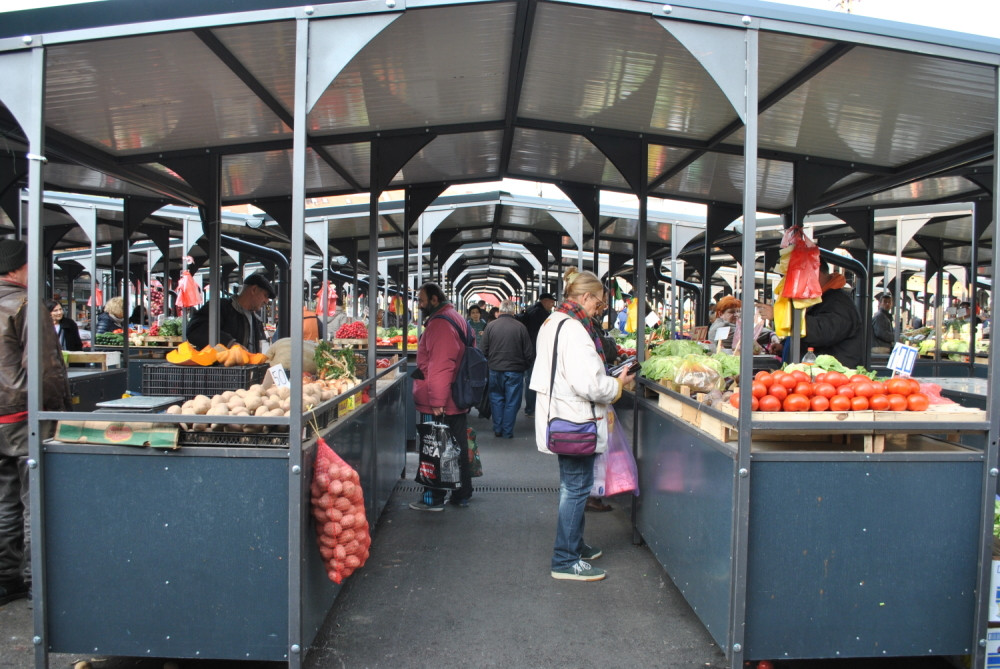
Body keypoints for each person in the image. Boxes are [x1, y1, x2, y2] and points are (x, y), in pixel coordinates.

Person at [529, 267, 635, 582]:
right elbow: (589, 384)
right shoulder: (574, 329)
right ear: (585, 296)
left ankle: (574, 545)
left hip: (560, 414)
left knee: (572, 486)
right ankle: (565, 559)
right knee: (575, 489)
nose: (599, 309)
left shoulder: (553, 321)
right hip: (575, 418)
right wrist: (618, 385)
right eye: (598, 303)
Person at [0, 239, 72, 605]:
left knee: (4, 498)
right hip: (24, 414)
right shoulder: (26, 305)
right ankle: (35, 581)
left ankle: (4, 578)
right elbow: (45, 368)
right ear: (17, 269)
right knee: (35, 498)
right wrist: (60, 409)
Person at [409, 282, 473, 511]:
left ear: (435, 299)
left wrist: (436, 401)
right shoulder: (455, 317)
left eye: (422, 299)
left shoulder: (439, 325)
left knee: (432, 448)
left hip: (440, 400)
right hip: (455, 395)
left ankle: (432, 498)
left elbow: (441, 366)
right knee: (456, 447)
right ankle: (461, 494)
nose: (420, 304)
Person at [481, 300, 534, 439]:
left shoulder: (490, 326)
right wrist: (524, 366)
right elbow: (529, 352)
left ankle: (498, 428)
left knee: (496, 398)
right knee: (512, 401)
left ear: (501, 310)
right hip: (515, 370)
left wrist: (490, 363)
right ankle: (507, 431)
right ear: (512, 311)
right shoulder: (520, 327)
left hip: (495, 369)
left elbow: (483, 350)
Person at [187, 273, 274, 353]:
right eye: (265, 295)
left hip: (246, 368)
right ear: (254, 290)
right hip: (221, 369)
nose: (266, 301)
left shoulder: (256, 320)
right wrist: (229, 343)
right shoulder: (220, 307)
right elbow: (195, 330)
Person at [799, 260, 864, 368]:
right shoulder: (823, 298)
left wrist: (784, 318)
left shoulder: (839, 302)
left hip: (836, 376)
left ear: (816, 273)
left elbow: (822, 332)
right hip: (823, 373)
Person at [518, 292, 556, 416]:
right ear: (544, 301)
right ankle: (531, 408)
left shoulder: (530, 311)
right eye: (551, 302)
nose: (552, 304)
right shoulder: (541, 314)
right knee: (533, 380)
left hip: (529, 351)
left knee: (530, 379)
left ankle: (530, 408)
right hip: (537, 351)